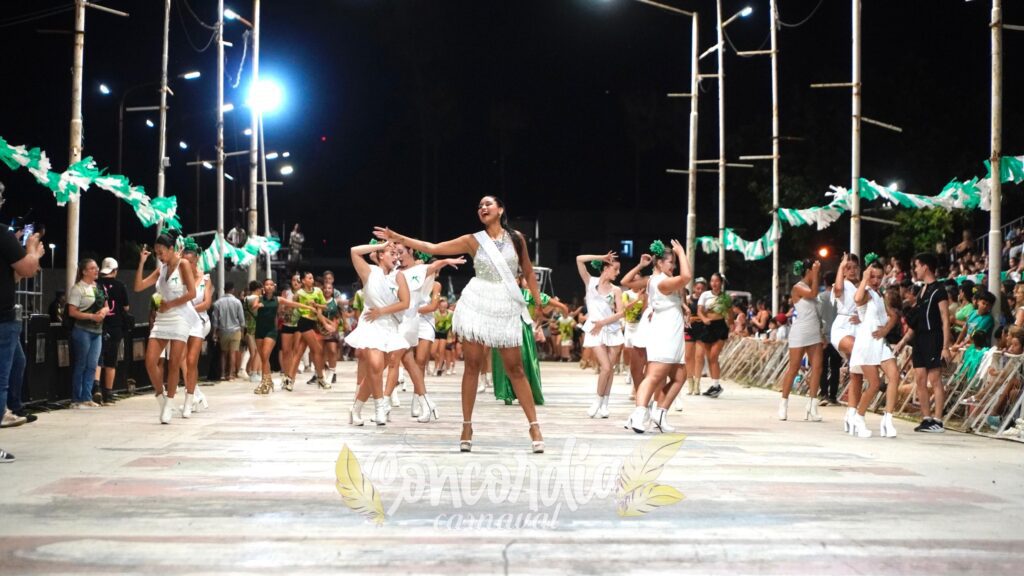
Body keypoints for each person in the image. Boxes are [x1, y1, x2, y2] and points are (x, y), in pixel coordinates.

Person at [374, 195, 546, 453]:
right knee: (472, 366)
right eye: (479, 206)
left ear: (500, 209)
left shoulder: (517, 239)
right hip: (477, 302)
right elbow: (432, 247)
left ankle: (534, 426)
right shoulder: (473, 240)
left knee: (515, 368)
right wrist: (399, 237)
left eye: (488, 204)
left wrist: (537, 302)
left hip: (506, 304)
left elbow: (528, 272)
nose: (483, 208)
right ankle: (467, 426)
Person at [623, 240, 691, 433]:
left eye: (675, 263)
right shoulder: (662, 282)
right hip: (665, 334)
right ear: (660, 263)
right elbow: (687, 276)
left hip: (673, 335)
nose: (674, 266)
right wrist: (682, 252)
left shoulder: (661, 280)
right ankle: (639, 414)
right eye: (671, 262)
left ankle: (660, 414)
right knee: (653, 376)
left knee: (679, 376)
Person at [135, 231, 197, 424]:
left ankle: (170, 404)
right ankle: (160, 397)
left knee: (174, 363)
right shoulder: (161, 269)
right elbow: (138, 287)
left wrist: (170, 304)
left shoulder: (183, 264)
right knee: (150, 361)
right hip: (162, 318)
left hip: (179, 316)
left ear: (171, 249)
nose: (159, 256)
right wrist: (141, 263)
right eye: (157, 253)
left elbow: (192, 293)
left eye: (161, 252)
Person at [346, 241, 410, 426]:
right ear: (381, 255)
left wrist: (382, 311)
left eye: (397, 254)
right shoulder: (369, 271)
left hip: (389, 325)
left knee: (375, 372)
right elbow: (354, 251)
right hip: (370, 323)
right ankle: (379, 408)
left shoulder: (399, 276)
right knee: (374, 365)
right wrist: (383, 244)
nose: (396, 256)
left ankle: (355, 409)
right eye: (392, 253)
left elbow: (405, 303)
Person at [0, 192, 44, 461]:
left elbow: (11, 277)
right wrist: (32, 250)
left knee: (18, 362)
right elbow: (27, 269)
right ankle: (7, 409)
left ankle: (13, 406)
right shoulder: (3, 234)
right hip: (3, 320)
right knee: (1, 380)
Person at [893, 252, 953, 433]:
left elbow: (945, 319)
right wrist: (902, 342)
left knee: (934, 379)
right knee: (920, 379)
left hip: (934, 337)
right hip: (920, 339)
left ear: (925, 266)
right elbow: (916, 323)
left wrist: (945, 347)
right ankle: (927, 418)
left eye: (917, 266)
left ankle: (938, 420)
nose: (915, 270)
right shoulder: (922, 291)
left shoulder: (939, 290)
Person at [848, 254, 900, 438]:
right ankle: (859, 417)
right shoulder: (867, 292)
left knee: (894, 375)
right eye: (873, 277)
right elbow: (857, 299)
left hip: (880, 342)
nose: (876, 280)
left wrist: (885, 330)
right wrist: (864, 279)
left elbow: (893, 316)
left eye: (879, 277)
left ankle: (888, 419)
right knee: (874, 384)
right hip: (866, 343)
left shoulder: (879, 295)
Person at [576, 252, 625, 419]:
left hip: (611, 329)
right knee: (606, 367)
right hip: (594, 330)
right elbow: (579, 259)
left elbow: (621, 313)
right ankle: (597, 401)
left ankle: (605, 403)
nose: (618, 273)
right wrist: (601, 257)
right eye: (615, 269)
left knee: (609, 369)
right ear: (606, 268)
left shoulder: (616, 290)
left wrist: (603, 323)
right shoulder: (590, 282)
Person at [777, 259, 824, 422]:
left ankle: (812, 405)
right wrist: (816, 273)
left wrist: (822, 333)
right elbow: (813, 294)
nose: (817, 274)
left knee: (817, 367)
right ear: (808, 271)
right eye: (814, 271)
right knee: (794, 367)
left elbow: (817, 312)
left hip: (814, 330)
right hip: (800, 331)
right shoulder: (798, 287)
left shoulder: (814, 287)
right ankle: (783, 403)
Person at [250, 278, 313, 394]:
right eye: (267, 285)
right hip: (259, 330)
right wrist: (257, 306)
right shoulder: (258, 298)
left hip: (271, 331)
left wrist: (308, 307)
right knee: (263, 358)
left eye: (271, 285)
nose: (269, 286)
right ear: (263, 287)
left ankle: (265, 382)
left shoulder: (278, 299)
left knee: (265, 354)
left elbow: (293, 304)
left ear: (274, 287)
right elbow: (253, 306)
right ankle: (267, 382)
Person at [67, 259, 109, 409]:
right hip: (82, 331)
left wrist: (103, 312)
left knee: (92, 365)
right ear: (84, 271)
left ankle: (87, 397)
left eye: (96, 268)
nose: (96, 270)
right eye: (92, 268)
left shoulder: (99, 287)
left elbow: (106, 305)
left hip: (97, 332)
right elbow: (72, 312)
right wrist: (91, 316)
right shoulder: (78, 289)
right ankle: (76, 399)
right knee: (81, 364)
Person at [179, 239, 212, 417]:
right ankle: (194, 394)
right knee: (183, 361)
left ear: (196, 260)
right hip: (183, 321)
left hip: (201, 321)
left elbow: (206, 303)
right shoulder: (179, 277)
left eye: (190, 262)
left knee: (190, 360)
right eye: (184, 262)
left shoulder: (205, 279)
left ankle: (192, 395)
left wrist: (190, 309)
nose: (187, 265)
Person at [95, 258, 130, 405]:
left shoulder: (96, 284)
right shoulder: (120, 285)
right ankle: (108, 394)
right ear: (115, 271)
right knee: (111, 361)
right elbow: (126, 307)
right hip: (115, 326)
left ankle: (95, 388)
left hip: (98, 325)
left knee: (97, 358)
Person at [697, 272, 731, 398]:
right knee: (709, 358)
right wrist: (704, 319)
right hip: (708, 326)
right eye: (712, 281)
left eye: (717, 281)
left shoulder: (726, 297)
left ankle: (716, 385)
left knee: (713, 356)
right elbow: (699, 311)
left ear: (721, 283)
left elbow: (730, 313)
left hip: (720, 326)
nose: (714, 283)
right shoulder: (705, 295)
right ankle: (714, 385)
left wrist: (731, 324)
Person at [212, 282, 246, 384]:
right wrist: (242, 332)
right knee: (233, 353)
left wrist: (214, 333)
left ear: (224, 290)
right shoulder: (237, 302)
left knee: (223, 353)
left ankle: (222, 374)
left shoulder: (217, 303)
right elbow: (241, 319)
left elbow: (215, 320)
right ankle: (231, 374)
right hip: (235, 330)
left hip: (223, 331)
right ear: (233, 290)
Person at [817, 271, 841, 406]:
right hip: (838, 337)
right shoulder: (839, 297)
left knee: (823, 367)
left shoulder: (820, 297)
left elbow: (817, 318)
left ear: (824, 281)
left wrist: (821, 336)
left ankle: (823, 394)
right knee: (835, 368)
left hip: (824, 338)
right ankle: (833, 396)